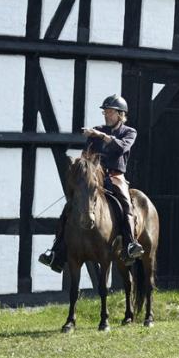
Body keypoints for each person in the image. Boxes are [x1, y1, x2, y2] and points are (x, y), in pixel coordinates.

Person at [38, 95, 143, 272]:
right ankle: (56, 253)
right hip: (95, 178)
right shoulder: (96, 132)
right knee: (70, 206)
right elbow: (86, 157)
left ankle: (130, 245)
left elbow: (121, 148)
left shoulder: (129, 132)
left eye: (110, 112)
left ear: (120, 114)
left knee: (126, 204)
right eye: (105, 112)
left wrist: (100, 135)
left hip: (116, 176)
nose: (106, 115)